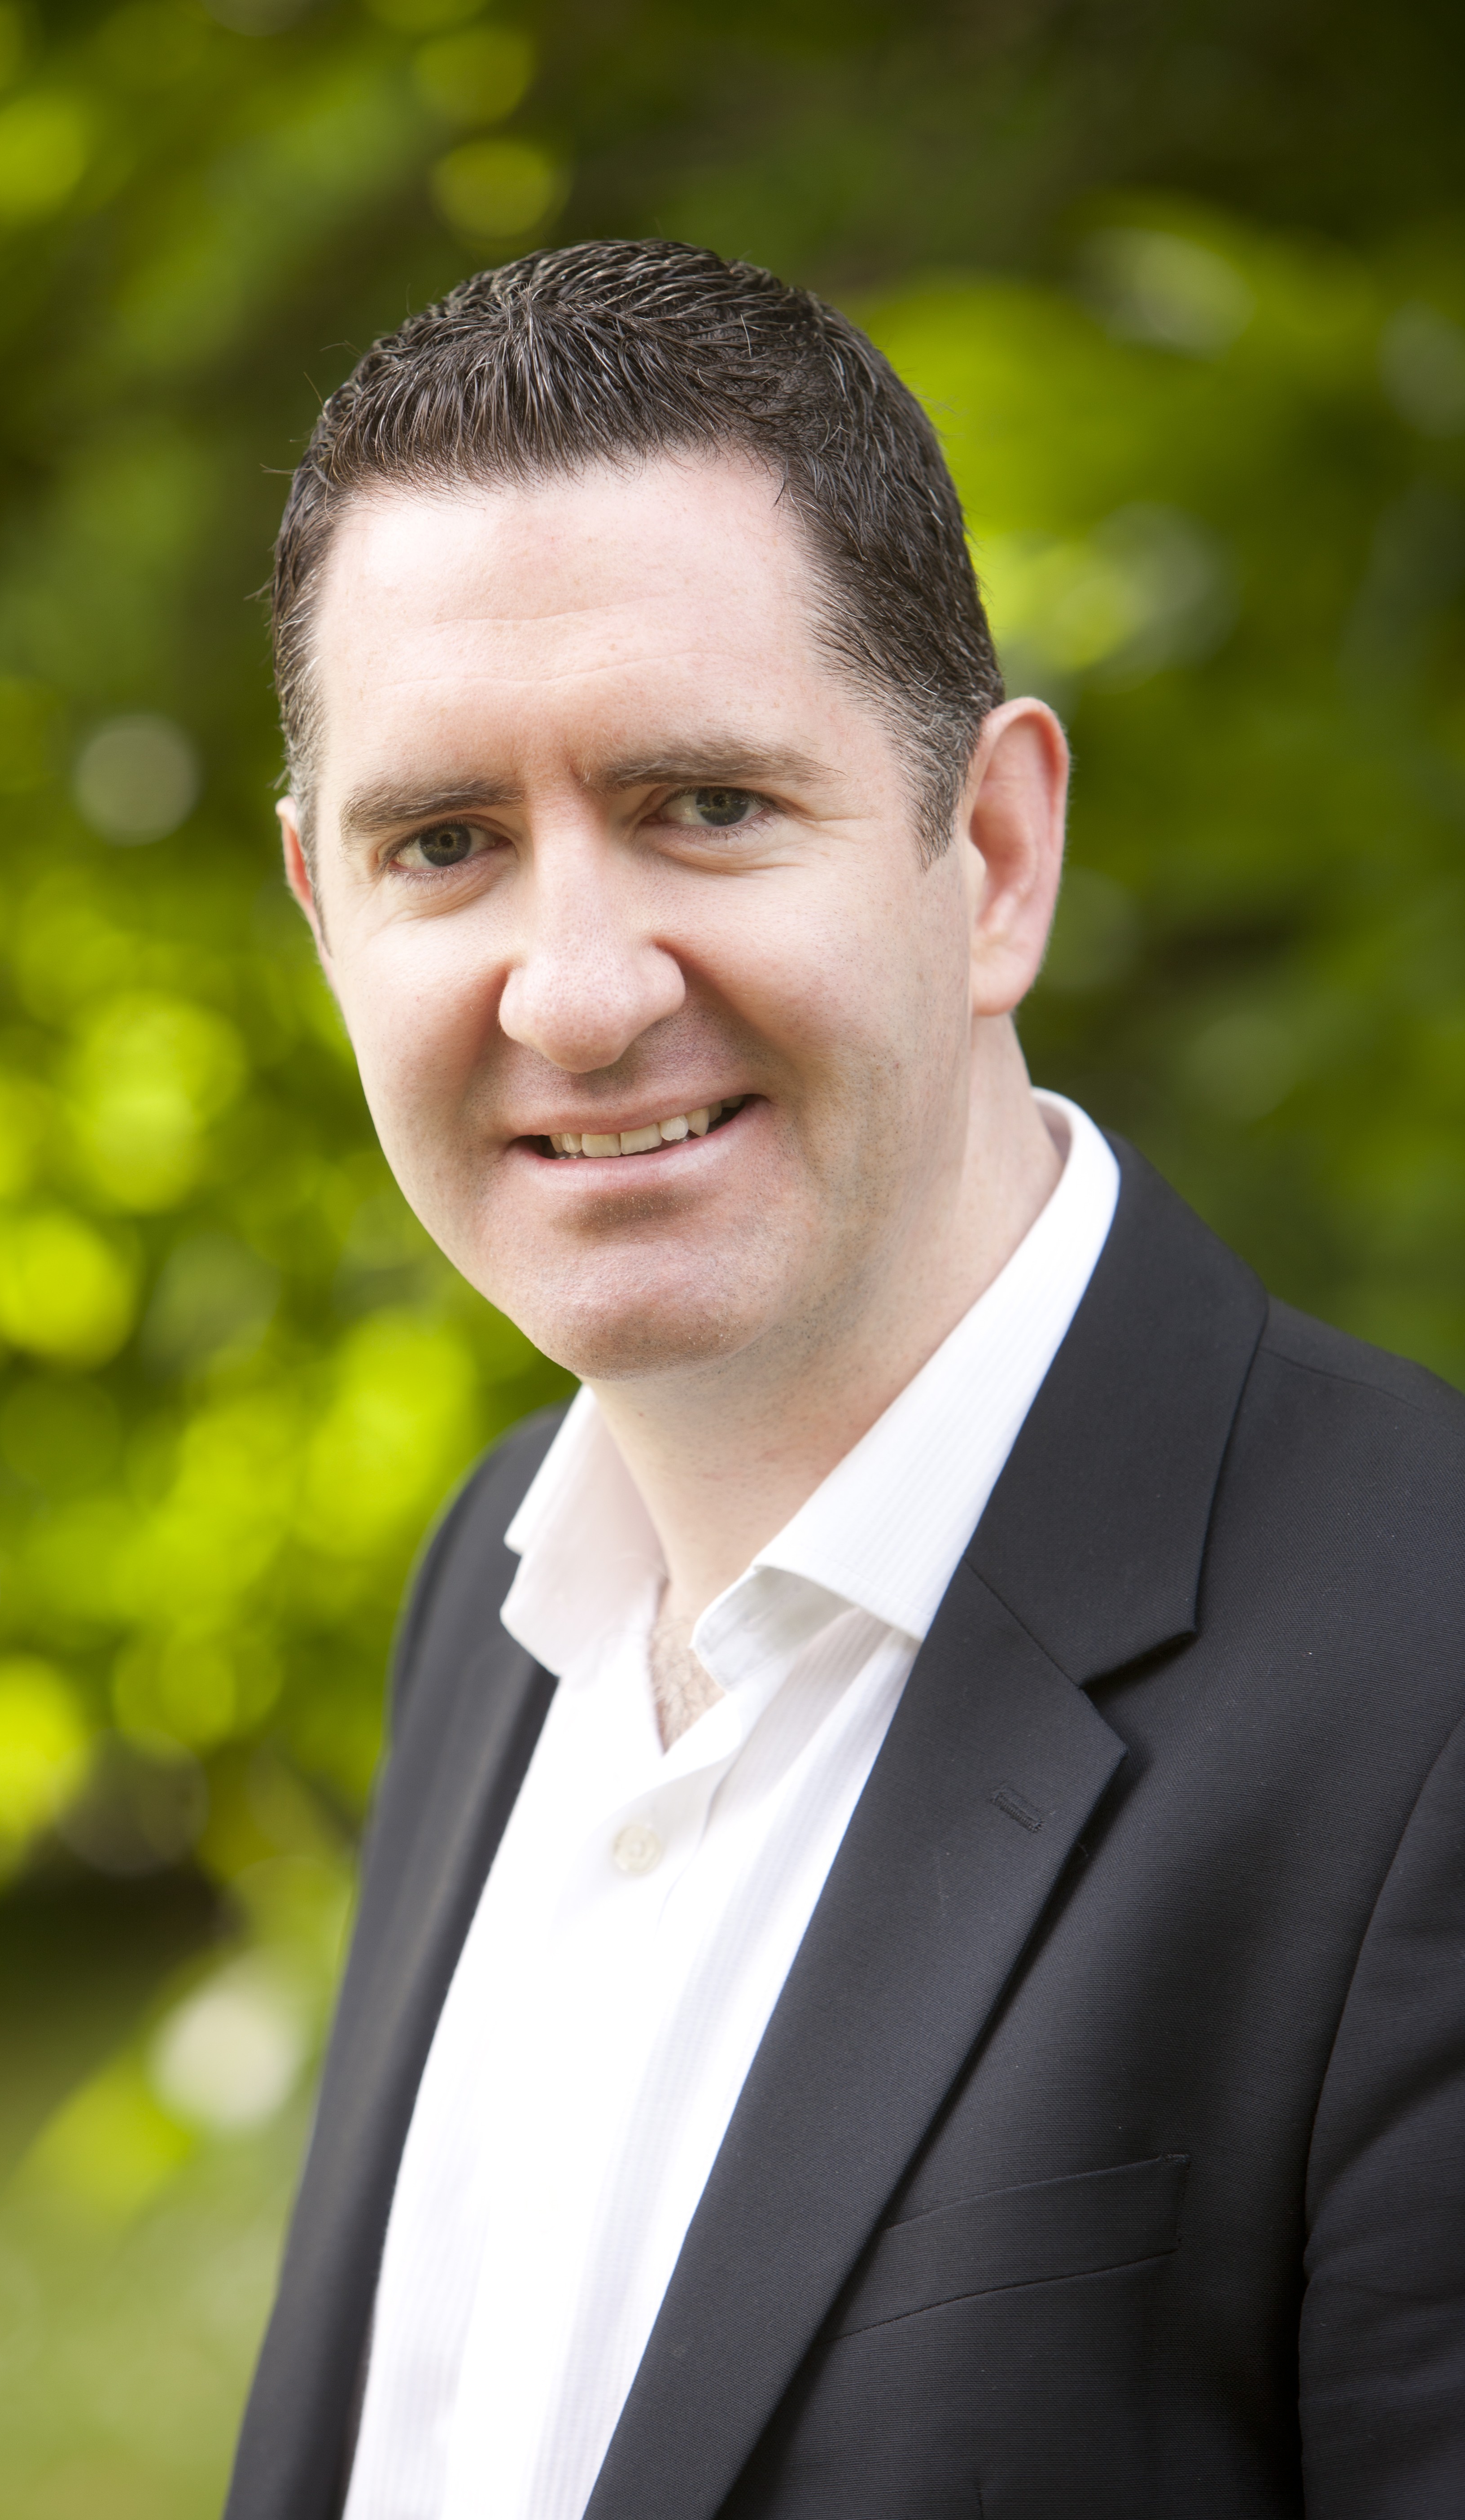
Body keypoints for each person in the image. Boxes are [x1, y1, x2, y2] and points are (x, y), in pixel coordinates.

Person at [223, 241, 1465, 2520]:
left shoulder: (1430, 1693)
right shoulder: (491, 1604)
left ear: (992, 857)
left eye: (703, 804)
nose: (576, 994)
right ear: (327, 914)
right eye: (447, 846)